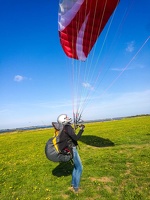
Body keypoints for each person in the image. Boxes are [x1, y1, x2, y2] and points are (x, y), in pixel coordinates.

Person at [57, 114, 85, 192]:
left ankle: (73, 184)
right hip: (72, 149)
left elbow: (70, 136)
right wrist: (82, 129)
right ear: (63, 120)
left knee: (76, 167)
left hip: (69, 149)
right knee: (79, 167)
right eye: (66, 117)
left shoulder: (64, 128)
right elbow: (76, 138)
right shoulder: (67, 127)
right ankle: (76, 188)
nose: (68, 117)